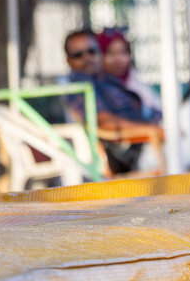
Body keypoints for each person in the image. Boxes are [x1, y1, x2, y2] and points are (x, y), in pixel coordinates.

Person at [60, 29, 163, 175]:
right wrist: (153, 130)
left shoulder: (105, 80)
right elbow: (104, 121)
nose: (86, 58)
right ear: (69, 61)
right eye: (78, 55)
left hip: (153, 137)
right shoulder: (80, 86)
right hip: (141, 150)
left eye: (91, 51)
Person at [98, 28, 163, 117]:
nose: (119, 59)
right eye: (111, 53)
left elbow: (157, 109)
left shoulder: (134, 80)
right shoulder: (98, 86)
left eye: (123, 52)